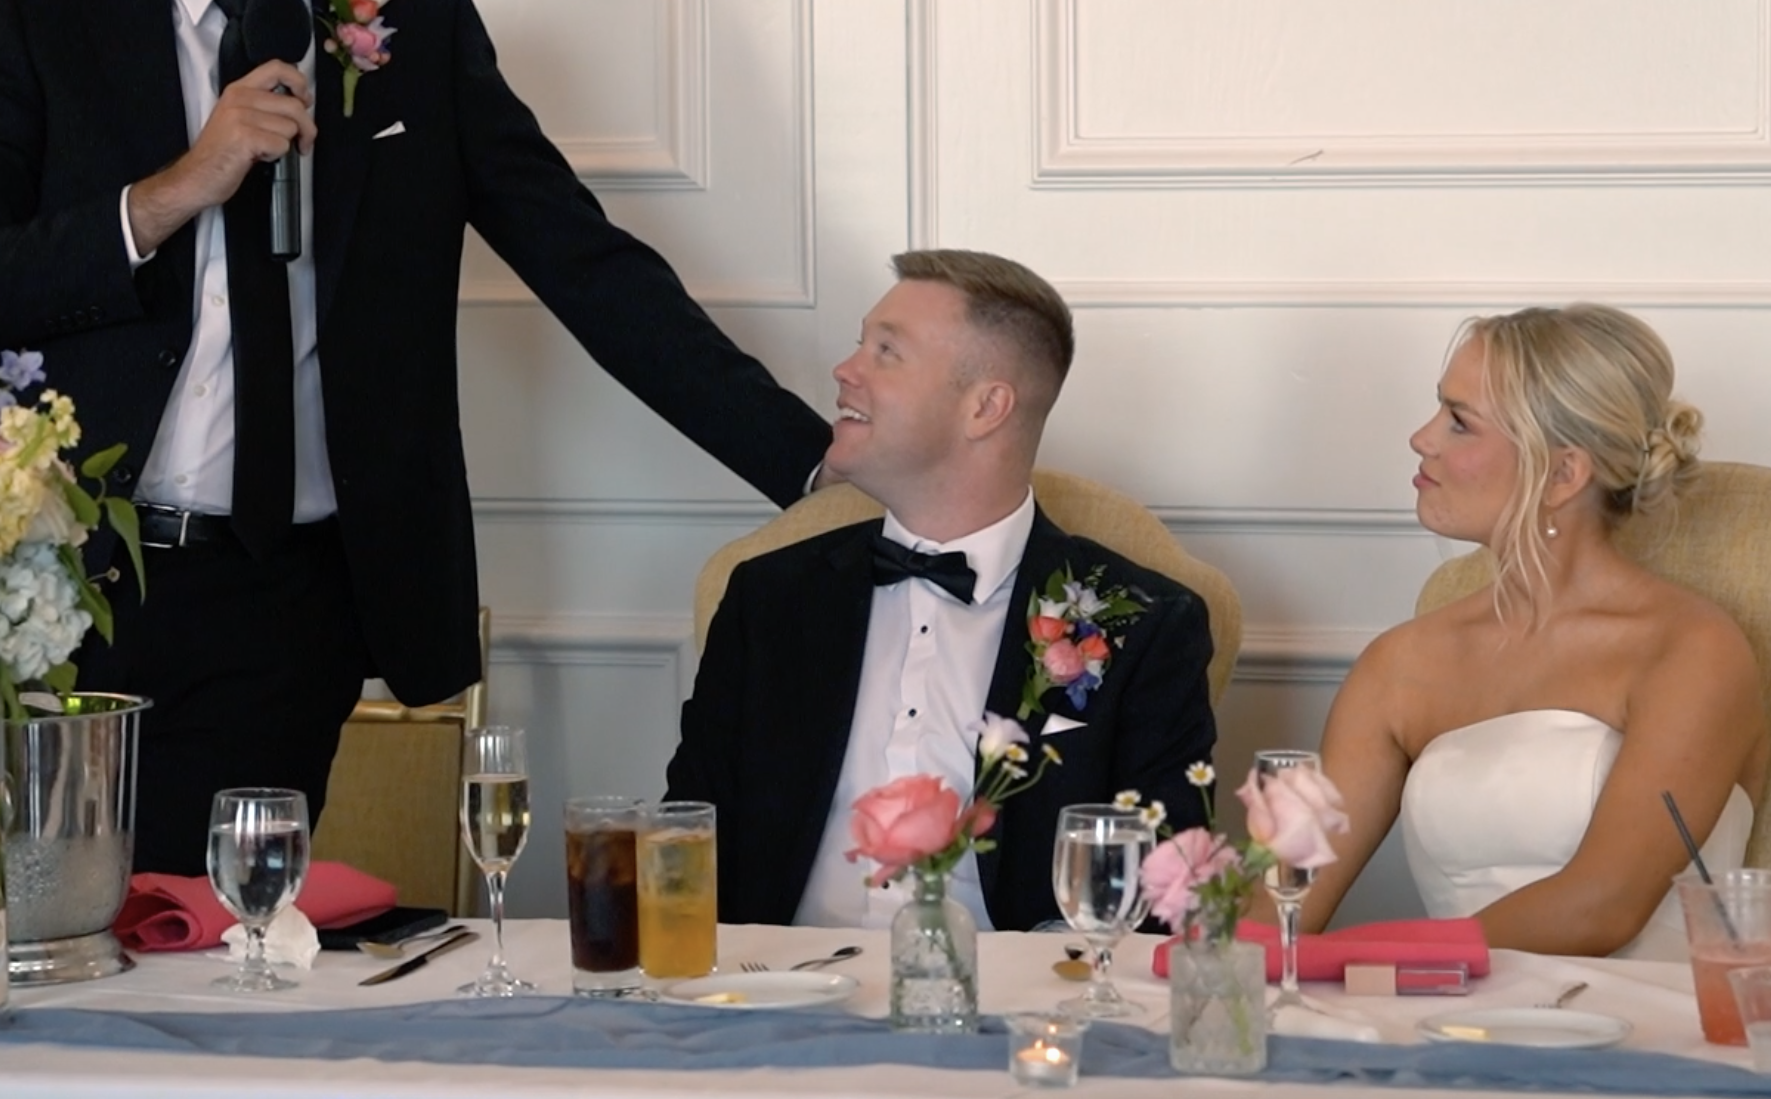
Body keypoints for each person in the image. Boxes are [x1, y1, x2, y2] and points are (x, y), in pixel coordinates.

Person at [0, 0, 831, 875]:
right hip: (60, 588)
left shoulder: (414, 32)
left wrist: (811, 465)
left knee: (221, 957)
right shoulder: (40, 17)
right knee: (35, 945)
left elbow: (591, 269)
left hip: (290, 599)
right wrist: (180, 185)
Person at [663, 250, 1217, 930]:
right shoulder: (770, 598)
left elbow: (1161, 900)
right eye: (860, 344)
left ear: (986, 406)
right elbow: (685, 843)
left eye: (887, 352)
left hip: (1014, 1016)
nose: (845, 371)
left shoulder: (1140, 624)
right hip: (775, 999)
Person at [1300, 305, 1768, 959]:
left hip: (1655, 1043)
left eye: (1459, 422)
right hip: (1448, 1036)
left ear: (1563, 474)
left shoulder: (1690, 653)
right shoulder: (1399, 665)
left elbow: (1601, 907)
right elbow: (1283, 897)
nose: (1420, 438)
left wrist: (1357, 960)